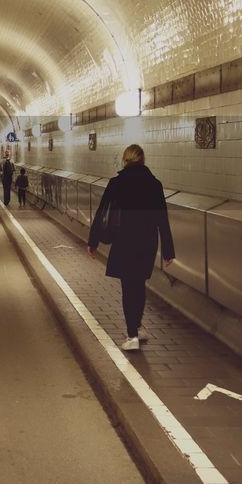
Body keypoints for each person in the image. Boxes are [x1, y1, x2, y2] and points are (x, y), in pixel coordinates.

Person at [87, 144, 174, 352]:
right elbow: (162, 218)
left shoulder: (117, 183)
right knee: (139, 283)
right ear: (143, 160)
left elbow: (102, 213)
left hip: (124, 240)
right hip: (147, 242)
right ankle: (137, 327)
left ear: (125, 160)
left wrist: (93, 241)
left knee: (128, 286)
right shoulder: (155, 185)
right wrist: (168, 251)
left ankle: (132, 335)